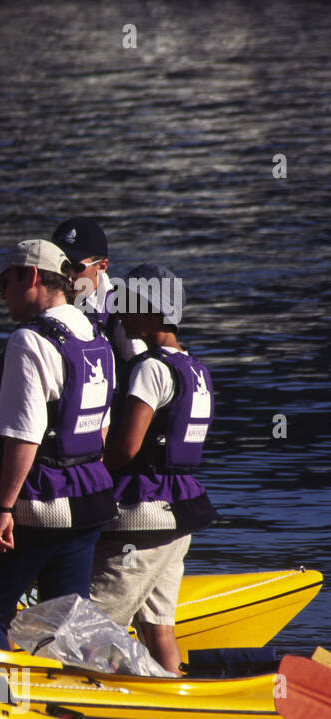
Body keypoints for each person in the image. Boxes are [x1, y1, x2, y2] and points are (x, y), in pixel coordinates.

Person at [0, 240, 116, 650]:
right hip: (92, 497)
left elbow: (25, 432)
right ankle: (65, 701)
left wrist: (4, 509)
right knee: (63, 622)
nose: (2, 294)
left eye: (6, 282)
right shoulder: (97, 338)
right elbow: (99, 432)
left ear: (30, 277)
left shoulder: (28, 340)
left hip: (42, 504)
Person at [88, 264, 215, 675]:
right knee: (159, 626)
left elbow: (126, 447)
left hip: (141, 515)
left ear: (149, 311)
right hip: (181, 514)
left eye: (127, 305)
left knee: (92, 624)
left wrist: (85, 475)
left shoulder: (150, 368)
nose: (120, 314)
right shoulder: (196, 369)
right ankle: (175, 700)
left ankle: (91, 698)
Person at [52, 217, 146, 365]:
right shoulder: (42, 305)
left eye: (76, 267)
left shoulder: (122, 313)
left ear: (102, 266)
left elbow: (143, 369)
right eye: (60, 266)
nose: (66, 274)